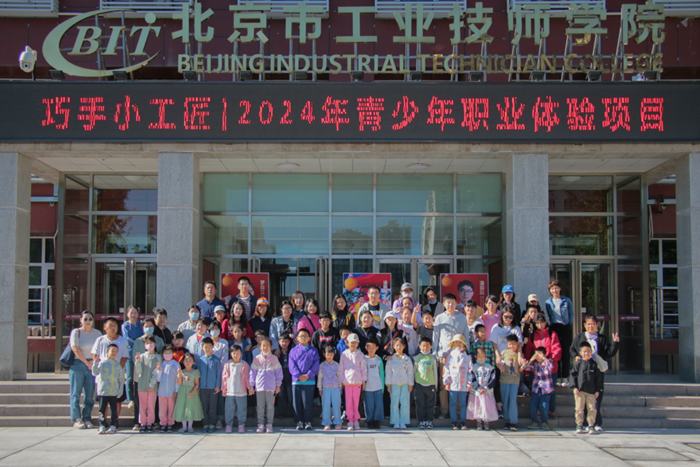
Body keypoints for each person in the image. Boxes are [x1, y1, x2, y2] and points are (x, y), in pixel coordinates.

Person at [570, 314, 619, 432]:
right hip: (583, 373)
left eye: (593, 324)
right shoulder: (580, 337)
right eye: (588, 324)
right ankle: (582, 423)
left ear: (597, 325)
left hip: (596, 372)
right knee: (582, 401)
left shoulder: (601, 339)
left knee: (596, 399)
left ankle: (595, 423)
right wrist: (576, 356)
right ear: (584, 325)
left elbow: (609, 353)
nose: (591, 326)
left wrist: (615, 343)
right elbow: (572, 349)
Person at [432, 293, 468, 420]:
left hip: (459, 356)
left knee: (458, 383)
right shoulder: (439, 318)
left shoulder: (462, 318)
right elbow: (435, 337)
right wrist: (435, 354)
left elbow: (466, 335)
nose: (450, 305)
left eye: (452, 302)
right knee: (443, 384)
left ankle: (457, 411)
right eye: (448, 302)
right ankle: (444, 410)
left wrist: (466, 352)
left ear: (456, 303)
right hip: (443, 355)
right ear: (444, 304)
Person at [91, 317, 129, 427]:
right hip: (103, 377)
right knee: (103, 402)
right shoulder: (100, 340)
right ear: (105, 328)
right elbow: (95, 355)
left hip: (116, 377)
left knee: (116, 401)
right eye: (110, 325)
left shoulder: (122, 340)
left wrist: (118, 370)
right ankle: (103, 423)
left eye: (115, 325)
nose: (113, 328)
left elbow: (124, 357)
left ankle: (115, 422)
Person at [524, 315, 562, 419]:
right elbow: (528, 352)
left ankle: (551, 411)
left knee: (551, 391)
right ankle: (538, 411)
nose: (540, 325)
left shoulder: (552, 334)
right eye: (537, 323)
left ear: (545, 323)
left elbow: (557, 348)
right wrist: (527, 369)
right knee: (536, 391)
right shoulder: (532, 336)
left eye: (542, 322)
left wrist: (552, 359)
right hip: (537, 368)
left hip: (550, 368)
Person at [69, 310, 101, 429]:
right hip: (78, 364)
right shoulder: (76, 332)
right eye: (85, 319)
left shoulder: (97, 333)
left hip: (92, 364)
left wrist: (93, 361)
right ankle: (77, 419)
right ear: (80, 320)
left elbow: (99, 349)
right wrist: (86, 362)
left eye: (90, 319)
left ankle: (87, 417)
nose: (88, 321)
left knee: (90, 394)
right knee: (76, 393)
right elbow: (75, 349)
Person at [489, 306, 524, 417]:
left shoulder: (516, 329)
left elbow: (519, 345)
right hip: (500, 358)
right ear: (502, 316)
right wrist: (497, 357)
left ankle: (510, 411)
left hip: (512, 360)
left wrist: (520, 356)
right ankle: (499, 407)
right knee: (498, 383)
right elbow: (494, 344)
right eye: (506, 316)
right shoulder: (496, 327)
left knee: (510, 384)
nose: (508, 319)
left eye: (510, 317)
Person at [249, 337, 283, 433]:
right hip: (259, 387)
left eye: (267, 345)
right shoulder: (257, 359)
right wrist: (251, 385)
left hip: (271, 387)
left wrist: (278, 386)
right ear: (260, 347)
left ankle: (269, 424)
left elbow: (279, 373)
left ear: (271, 347)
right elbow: (252, 373)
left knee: (270, 407)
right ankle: (260, 424)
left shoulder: (274, 359)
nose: (265, 347)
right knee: (260, 407)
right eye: (263, 345)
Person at [570, 341, 603, 434]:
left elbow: (598, 378)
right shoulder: (578, 363)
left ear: (591, 352)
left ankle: (591, 425)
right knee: (579, 408)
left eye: (588, 351)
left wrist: (598, 390)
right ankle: (579, 424)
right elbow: (573, 375)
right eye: (584, 352)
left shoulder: (594, 364)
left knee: (592, 408)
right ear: (581, 353)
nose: (586, 353)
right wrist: (574, 387)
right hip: (580, 390)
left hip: (591, 391)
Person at [289, 328, 319, 430]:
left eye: (305, 336)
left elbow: (316, 364)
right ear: (297, 338)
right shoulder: (293, 351)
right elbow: (291, 365)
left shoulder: (313, 351)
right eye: (301, 336)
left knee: (308, 402)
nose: (303, 338)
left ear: (309, 338)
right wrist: (298, 375)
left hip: (309, 381)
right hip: (297, 381)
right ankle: (299, 421)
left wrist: (308, 375)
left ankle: (308, 421)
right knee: (297, 403)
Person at [545, 280, 574, 385]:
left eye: (556, 288)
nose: (555, 290)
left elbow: (571, 314)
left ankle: (565, 376)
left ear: (560, 288)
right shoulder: (548, 302)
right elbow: (548, 316)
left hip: (565, 326)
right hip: (554, 327)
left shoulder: (566, 300)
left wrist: (567, 325)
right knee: (556, 352)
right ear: (550, 291)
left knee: (566, 351)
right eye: (552, 289)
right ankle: (557, 376)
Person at [92, 344, 124, 434]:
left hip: (113, 392)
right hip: (103, 391)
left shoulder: (117, 365)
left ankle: (113, 425)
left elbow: (121, 379)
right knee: (102, 409)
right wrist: (95, 363)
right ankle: (102, 425)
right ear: (107, 352)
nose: (114, 353)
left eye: (116, 351)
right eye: (112, 351)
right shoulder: (102, 363)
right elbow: (95, 373)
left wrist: (120, 390)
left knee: (114, 409)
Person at [442, 334, 472, 430]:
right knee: (452, 403)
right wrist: (446, 382)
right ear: (453, 344)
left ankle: (463, 421)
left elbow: (470, 371)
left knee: (463, 403)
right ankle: (454, 422)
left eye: (460, 342)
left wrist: (469, 383)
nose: (458, 344)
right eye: (456, 342)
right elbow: (446, 369)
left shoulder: (467, 357)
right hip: (453, 384)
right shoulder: (450, 356)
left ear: (464, 344)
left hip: (463, 384)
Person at [339, 333, 367, 431]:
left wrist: (363, 380)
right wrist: (342, 381)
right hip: (347, 382)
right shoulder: (344, 354)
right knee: (349, 402)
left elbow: (363, 368)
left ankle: (356, 420)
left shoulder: (360, 355)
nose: (353, 344)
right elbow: (341, 369)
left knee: (356, 402)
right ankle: (350, 420)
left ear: (358, 343)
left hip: (357, 382)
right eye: (351, 342)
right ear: (347, 343)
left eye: (355, 342)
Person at [134, 335, 162, 433]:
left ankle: (149, 423)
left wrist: (152, 384)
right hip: (142, 385)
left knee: (151, 405)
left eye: (151, 343)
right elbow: (139, 371)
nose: (149, 345)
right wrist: (137, 362)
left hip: (152, 387)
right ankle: (143, 423)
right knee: (142, 405)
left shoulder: (158, 357)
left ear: (155, 344)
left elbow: (157, 372)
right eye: (147, 343)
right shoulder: (142, 356)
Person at [523, 346, 555, 430]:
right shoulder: (535, 364)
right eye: (536, 354)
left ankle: (545, 422)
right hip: (536, 388)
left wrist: (544, 358)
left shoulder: (547, 363)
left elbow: (552, 367)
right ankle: (535, 422)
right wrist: (531, 360)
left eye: (539, 354)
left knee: (544, 406)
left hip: (546, 388)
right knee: (532, 406)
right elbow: (525, 367)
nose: (537, 356)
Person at [385, 337, 414, 430]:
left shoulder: (407, 359)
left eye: (400, 345)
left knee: (405, 403)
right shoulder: (391, 359)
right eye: (397, 345)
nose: (399, 347)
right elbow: (388, 373)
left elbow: (410, 372)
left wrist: (410, 384)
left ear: (404, 346)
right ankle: (395, 421)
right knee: (394, 403)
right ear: (393, 346)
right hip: (394, 384)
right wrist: (388, 384)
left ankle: (403, 421)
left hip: (405, 384)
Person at [467, 347, 498, 430]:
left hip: (487, 392)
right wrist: (478, 387)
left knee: (486, 407)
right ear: (475, 357)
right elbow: (472, 378)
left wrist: (486, 387)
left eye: (483, 356)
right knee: (478, 406)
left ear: (485, 357)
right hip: (477, 392)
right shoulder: (473, 367)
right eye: (479, 356)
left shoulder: (489, 368)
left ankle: (486, 421)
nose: (481, 358)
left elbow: (493, 379)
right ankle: (479, 422)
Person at [221, 344, 250, 433]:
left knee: (242, 408)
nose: (236, 355)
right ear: (231, 354)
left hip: (241, 391)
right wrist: (224, 389)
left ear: (241, 354)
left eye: (238, 353)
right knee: (229, 409)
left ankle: (241, 424)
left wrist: (249, 388)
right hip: (230, 391)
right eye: (234, 353)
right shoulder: (227, 364)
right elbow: (224, 378)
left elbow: (247, 377)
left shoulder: (244, 364)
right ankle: (229, 425)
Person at [173, 353, 203, 433]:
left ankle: (190, 426)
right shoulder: (182, 372)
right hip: (182, 393)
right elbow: (179, 383)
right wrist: (179, 374)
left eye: (190, 360)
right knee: (183, 408)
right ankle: (184, 427)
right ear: (183, 362)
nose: (188, 362)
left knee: (190, 409)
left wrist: (192, 392)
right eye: (186, 360)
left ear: (193, 362)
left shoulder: (195, 372)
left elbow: (197, 384)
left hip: (192, 393)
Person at [498, 335, 523, 431]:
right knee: (505, 401)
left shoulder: (519, 355)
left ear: (517, 344)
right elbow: (498, 362)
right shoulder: (504, 352)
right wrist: (499, 365)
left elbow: (520, 369)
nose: (511, 346)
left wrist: (524, 366)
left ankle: (513, 422)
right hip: (504, 380)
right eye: (509, 344)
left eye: (513, 344)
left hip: (515, 381)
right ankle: (507, 421)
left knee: (512, 401)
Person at [197, 337, 222, 433]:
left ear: (212, 347)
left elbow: (218, 374)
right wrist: (198, 387)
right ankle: (205, 423)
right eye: (205, 347)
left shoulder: (216, 360)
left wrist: (217, 385)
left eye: (209, 346)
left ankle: (212, 423)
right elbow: (198, 374)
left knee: (212, 406)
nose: (207, 348)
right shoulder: (200, 360)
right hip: (203, 387)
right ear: (202, 347)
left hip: (213, 388)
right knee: (204, 406)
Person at [413, 337, 438, 429]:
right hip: (419, 384)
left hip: (430, 384)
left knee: (430, 404)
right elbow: (414, 372)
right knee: (420, 404)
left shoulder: (433, 359)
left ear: (431, 347)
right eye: (423, 346)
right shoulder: (416, 358)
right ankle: (421, 421)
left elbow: (435, 373)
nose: (425, 348)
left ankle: (429, 420)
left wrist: (435, 385)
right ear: (420, 347)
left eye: (427, 346)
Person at [121, 306, 143, 410]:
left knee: (140, 375)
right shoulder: (125, 326)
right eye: (131, 313)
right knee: (129, 377)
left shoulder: (141, 324)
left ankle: (139, 396)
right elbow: (127, 339)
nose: (133, 315)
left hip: (141, 353)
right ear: (127, 314)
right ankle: (130, 398)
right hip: (130, 353)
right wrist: (139, 342)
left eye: (135, 312)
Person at [154, 344, 179, 433]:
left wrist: (176, 390)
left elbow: (177, 379)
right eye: (165, 353)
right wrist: (159, 370)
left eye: (169, 352)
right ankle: (163, 424)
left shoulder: (176, 364)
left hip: (172, 391)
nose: (167, 354)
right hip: (162, 392)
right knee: (162, 409)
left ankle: (170, 424)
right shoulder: (161, 364)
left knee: (171, 408)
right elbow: (158, 379)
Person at [209, 320, 229, 430]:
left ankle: (219, 420)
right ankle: (209, 419)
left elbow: (224, 360)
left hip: (220, 374)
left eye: (216, 329)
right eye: (212, 329)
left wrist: (216, 369)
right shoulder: (206, 341)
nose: (214, 331)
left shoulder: (224, 343)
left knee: (219, 398)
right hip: (208, 374)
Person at [318, 346, 343, 430]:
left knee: (336, 404)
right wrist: (320, 388)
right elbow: (320, 377)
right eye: (327, 354)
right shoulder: (322, 365)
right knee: (326, 405)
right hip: (325, 387)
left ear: (334, 354)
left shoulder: (336, 365)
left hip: (336, 387)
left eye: (331, 354)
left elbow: (339, 376)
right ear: (324, 354)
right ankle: (326, 422)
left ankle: (338, 421)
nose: (329, 356)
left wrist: (340, 387)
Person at [363, 337, 384, 429]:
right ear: (366, 348)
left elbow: (381, 373)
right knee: (369, 405)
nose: (371, 349)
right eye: (369, 347)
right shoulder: (364, 359)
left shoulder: (378, 359)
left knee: (378, 404)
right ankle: (369, 420)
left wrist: (383, 386)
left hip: (378, 386)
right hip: (368, 387)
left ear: (377, 348)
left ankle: (377, 420)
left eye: (373, 347)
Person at [276, 333, 294, 419]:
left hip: (290, 376)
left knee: (291, 395)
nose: (284, 343)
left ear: (289, 342)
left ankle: (293, 412)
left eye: (286, 341)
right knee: (281, 395)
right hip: (280, 377)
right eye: (282, 341)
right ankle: (281, 413)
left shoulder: (292, 351)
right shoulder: (277, 353)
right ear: (279, 342)